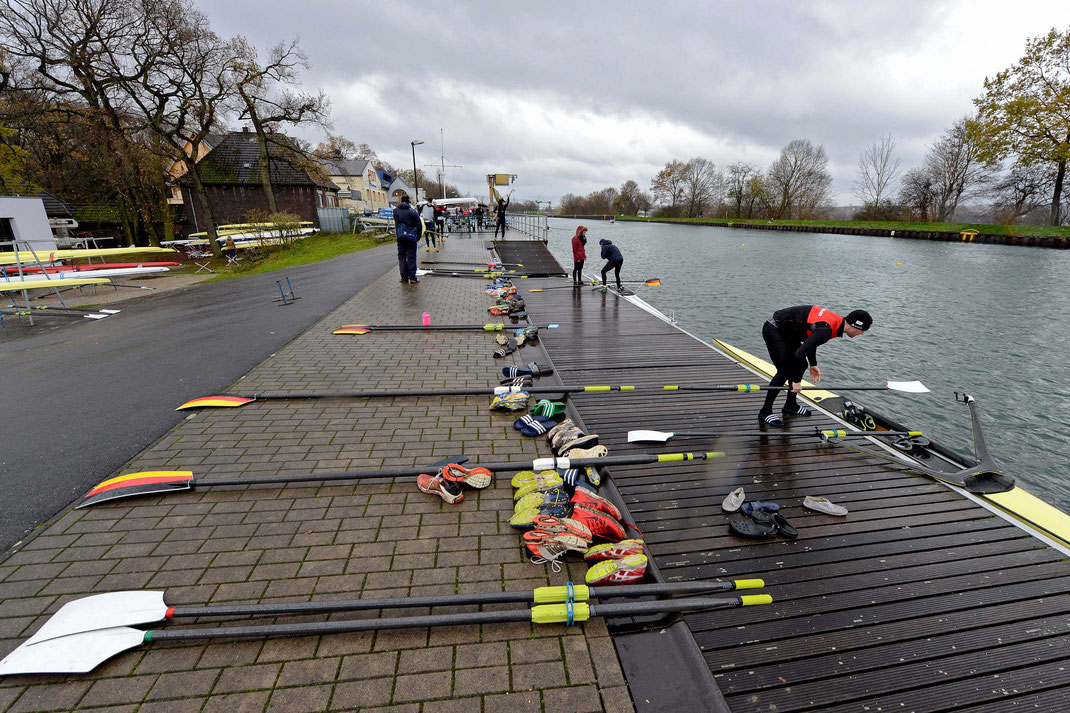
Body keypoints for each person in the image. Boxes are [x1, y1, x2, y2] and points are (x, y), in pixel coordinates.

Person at [757, 306, 873, 427]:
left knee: (802, 364)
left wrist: (813, 364)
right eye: (863, 330)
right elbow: (800, 353)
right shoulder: (826, 329)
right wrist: (796, 381)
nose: (862, 333)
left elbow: (811, 341)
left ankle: (790, 405)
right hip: (775, 329)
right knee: (785, 370)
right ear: (855, 326)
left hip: (789, 331)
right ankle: (765, 411)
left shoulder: (835, 323)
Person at [393, 194, 422, 283]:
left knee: (402, 257)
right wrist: (418, 237)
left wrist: (398, 235)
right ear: (409, 202)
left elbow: (396, 224)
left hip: (401, 236)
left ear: (401, 201)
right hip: (411, 237)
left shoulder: (396, 211)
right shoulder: (413, 211)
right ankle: (412, 278)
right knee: (411, 257)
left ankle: (404, 278)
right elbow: (419, 225)